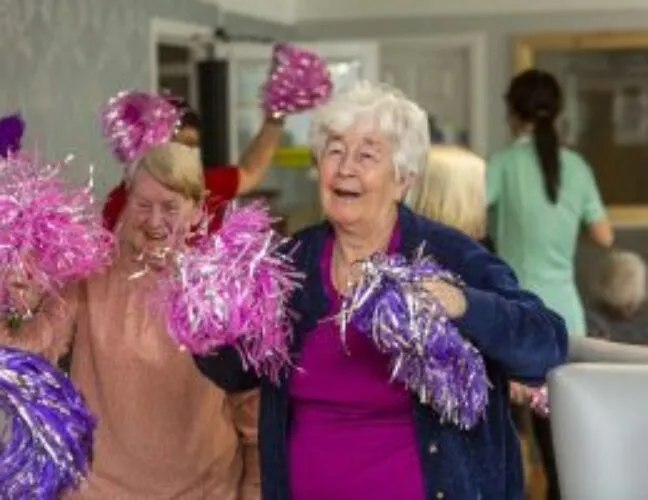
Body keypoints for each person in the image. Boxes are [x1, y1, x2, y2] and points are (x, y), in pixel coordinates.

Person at [195, 81, 568, 500]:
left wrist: (461, 304)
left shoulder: (449, 254)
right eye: (334, 151)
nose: (345, 167)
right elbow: (236, 372)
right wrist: (210, 324)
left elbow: (546, 343)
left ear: (403, 178)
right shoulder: (291, 261)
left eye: (367, 154)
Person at [2, 143, 259, 499]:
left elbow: (254, 416)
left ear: (198, 210)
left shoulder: (222, 289)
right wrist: (13, 304)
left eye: (170, 207)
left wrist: (254, 490)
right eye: (142, 205)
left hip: (208, 492)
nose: (155, 221)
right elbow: (31, 357)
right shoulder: (90, 274)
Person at [487, 68, 614, 500]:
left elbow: (468, 220)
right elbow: (605, 236)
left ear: (511, 112)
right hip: (565, 319)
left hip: (511, 318)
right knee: (561, 447)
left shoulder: (502, 163)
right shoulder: (576, 166)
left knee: (502, 438)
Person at [102, 97, 284, 233]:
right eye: (175, 145)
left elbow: (250, 172)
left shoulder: (205, 185)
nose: (184, 155)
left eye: (191, 146)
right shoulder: (122, 201)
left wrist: (276, 115)